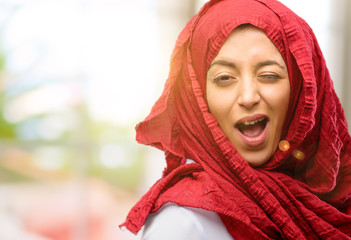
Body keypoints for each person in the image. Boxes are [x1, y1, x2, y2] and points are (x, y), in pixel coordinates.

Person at [120, 0, 351, 239]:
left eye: (269, 75)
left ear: (301, 92)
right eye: (224, 78)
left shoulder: (331, 201)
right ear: (199, 97)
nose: (248, 97)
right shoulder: (183, 224)